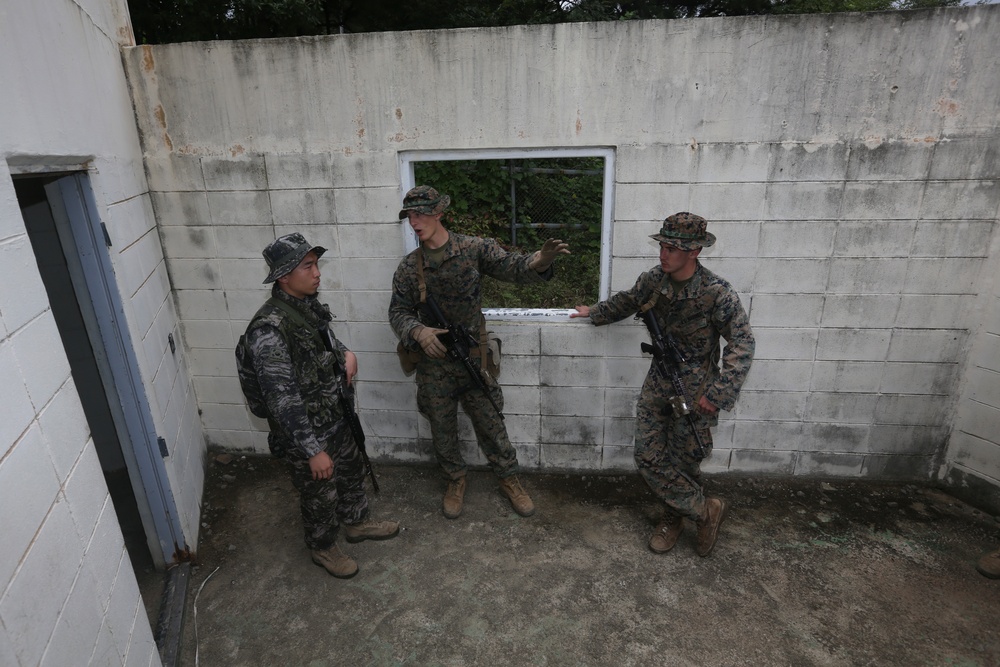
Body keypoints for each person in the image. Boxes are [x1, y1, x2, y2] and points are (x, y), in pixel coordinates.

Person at [571, 212, 754, 557]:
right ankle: (704, 511)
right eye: (663, 245)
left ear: (695, 251)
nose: (664, 253)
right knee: (647, 455)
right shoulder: (654, 280)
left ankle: (674, 516)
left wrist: (718, 395)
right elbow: (627, 301)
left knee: (684, 461)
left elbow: (743, 344)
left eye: (673, 248)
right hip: (659, 383)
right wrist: (594, 312)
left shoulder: (717, 293)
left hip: (697, 391)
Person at [389, 185, 569, 519]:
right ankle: (455, 480)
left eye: (423, 213)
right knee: (442, 429)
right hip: (434, 364)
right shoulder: (409, 268)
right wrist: (418, 331)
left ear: (440, 213)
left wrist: (540, 261)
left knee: (492, 424)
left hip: (472, 357)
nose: (416, 222)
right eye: (411, 215)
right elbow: (397, 312)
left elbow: (513, 267)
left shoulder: (473, 248)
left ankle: (509, 478)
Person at [242, 233, 399, 578]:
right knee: (319, 493)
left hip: (334, 413)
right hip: (306, 431)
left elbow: (323, 343)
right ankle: (323, 546)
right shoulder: (268, 331)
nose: (317, 273)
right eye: (308, 266)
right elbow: (281, 399)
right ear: (285, 276)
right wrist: (312, 450)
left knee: (351, 469)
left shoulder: (306, 306)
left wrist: (347, 352)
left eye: (316, 264)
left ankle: (356, 523)